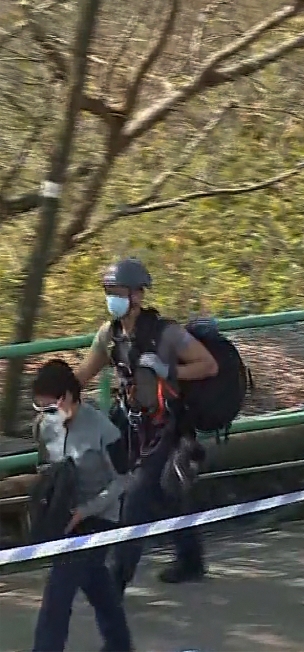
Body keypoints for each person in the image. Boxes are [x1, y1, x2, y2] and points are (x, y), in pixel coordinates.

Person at [74, 258, 218, 589]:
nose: (111, 297)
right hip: (130, 423)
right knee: (165, 493)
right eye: (108, 291)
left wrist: (170, 371)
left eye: (118, 291)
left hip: (167, 425)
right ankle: (191, 560)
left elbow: (208, 366)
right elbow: (84, 373)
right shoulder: (109, 336)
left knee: (136, 498)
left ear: (138, 295)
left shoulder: (167, 334)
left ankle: (116, 581)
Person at [29, 359, 134, 652]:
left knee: (58, 592)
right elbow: (45, 468)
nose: (45, 414)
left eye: (49, 407)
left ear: (67, 397)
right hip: (65, 516)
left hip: (100, 516)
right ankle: (120, 645)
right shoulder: (45, 427)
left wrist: (86, 511)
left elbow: (123, 480)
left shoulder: (104, 429)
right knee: (96, 582)